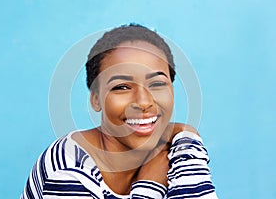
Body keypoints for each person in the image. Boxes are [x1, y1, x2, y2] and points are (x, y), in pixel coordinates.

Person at [21, 24, 218, 198]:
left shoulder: (180, 146)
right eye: (122, 87)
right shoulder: (68, 172)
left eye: (157, 83)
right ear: (96, 99)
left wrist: (187, 141)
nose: (143, 102)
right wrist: (150, 186)